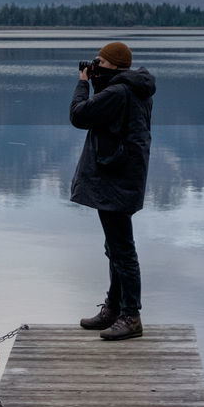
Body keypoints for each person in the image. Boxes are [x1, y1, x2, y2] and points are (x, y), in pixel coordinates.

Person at [69, 41, 156, 340]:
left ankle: (131, 315)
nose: (95, 67)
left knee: (122, 249)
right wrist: (98, 84)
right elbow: (106, 118)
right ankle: (115, 308)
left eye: (100, 64)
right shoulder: (132, 89)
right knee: (116, 248)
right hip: (122, 176)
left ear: (116, 67)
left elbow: (79, 115)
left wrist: (83, 85)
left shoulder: (118, 92)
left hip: (116, 179)